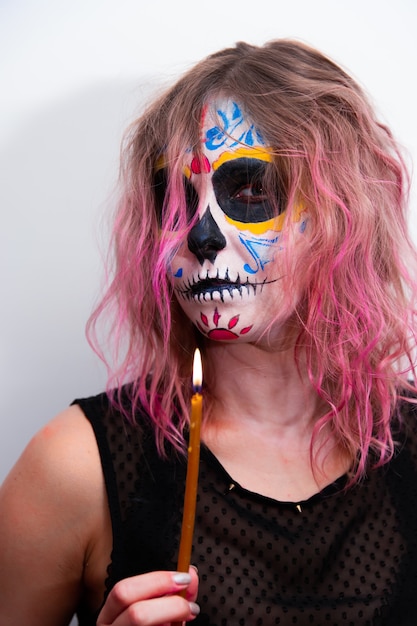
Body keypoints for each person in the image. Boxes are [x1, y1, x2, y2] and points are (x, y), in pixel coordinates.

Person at [1, 38, 417, 626]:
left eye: (249, 191)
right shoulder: (76, 466)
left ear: (342, 214)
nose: (202, 237)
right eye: (174, 204)